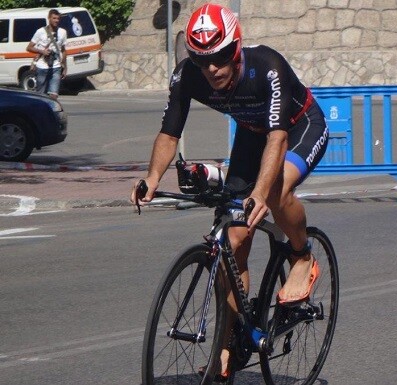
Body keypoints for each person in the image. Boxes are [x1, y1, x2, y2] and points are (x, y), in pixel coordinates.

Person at [131, 3, 329, 380]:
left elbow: (278, 137)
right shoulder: (188, 76)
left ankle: (302, 257)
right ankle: (227, 347)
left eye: (221, 57)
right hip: (252, 138)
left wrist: (259, 189)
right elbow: (170, 132)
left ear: (236, 48)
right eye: (202, 60)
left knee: (272, 192)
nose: (212, 69)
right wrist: (152, 179)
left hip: (299, 127)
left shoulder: (267, 66)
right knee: (233, 242)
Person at [27, 9, 67, 100]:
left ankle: (51, 113)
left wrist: (65, 67)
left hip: (56, 67)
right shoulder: (40, 31)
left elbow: (64, 50)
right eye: (54, 18)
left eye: (58, 18)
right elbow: (29, 47)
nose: (56, 20)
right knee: (41, 95)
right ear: (49, 18)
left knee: (53, 96)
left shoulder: (63, 32)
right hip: (42, 67)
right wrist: (42, 52)